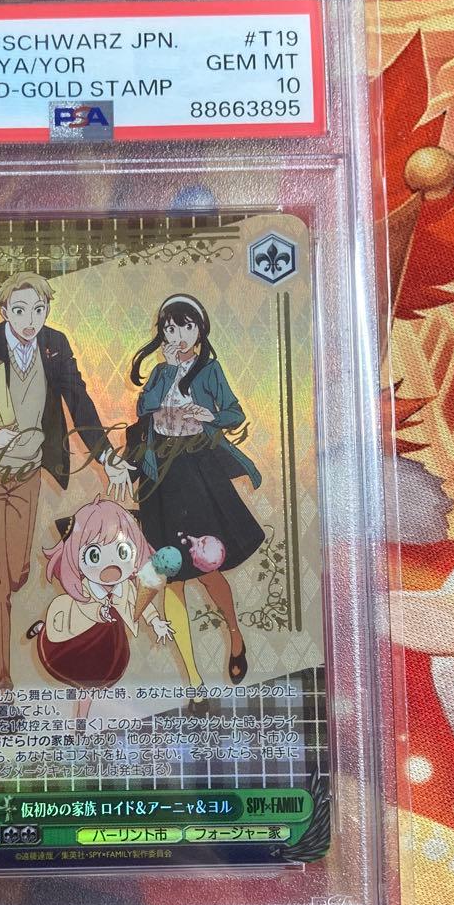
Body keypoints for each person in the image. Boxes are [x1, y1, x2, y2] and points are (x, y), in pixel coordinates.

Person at [0, 271, 132, 690]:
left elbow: (79, 400)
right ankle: (1, 689)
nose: (30, 320)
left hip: (27, 477)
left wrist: (107, 457)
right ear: (4, 310)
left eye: (38, 310)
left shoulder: (55, 345)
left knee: (18, 575)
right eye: (20, 310)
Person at [128, 293, 264, 687]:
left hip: (196, 469)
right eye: (170, 328)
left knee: (207, 568)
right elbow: (144, 410)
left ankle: (234, 635)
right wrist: (169, 371)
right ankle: (192, 673)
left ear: (200, 329)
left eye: (185, 326)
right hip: (161, 473)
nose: (178, 335)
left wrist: (212, 415)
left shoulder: (210, 370)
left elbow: (235, 412)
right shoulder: (160, 372)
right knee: (171, 573)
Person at [31, 497, 174, 720]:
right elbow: (81, 609)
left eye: (123, 552)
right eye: (94, 555)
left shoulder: (127, 587)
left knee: (95, 680)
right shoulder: (83, 589)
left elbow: (141, 605)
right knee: (80, 673)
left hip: (108, 640)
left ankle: (83, 719)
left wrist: (156, 622)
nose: (110, 567)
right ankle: (43, 629)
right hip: (76, 636)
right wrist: (99, 612)